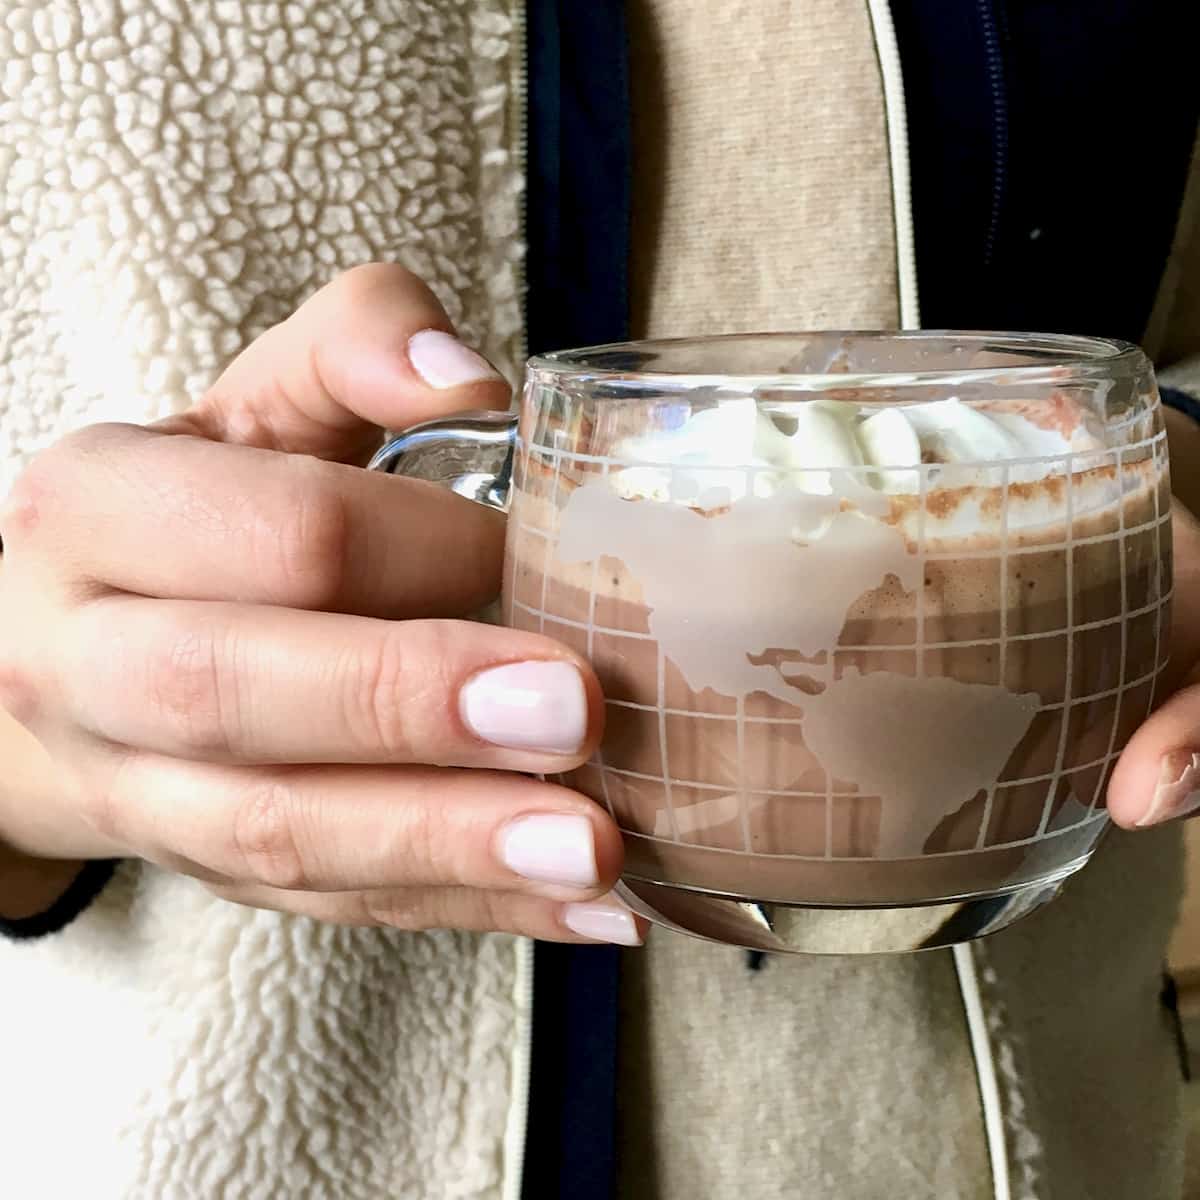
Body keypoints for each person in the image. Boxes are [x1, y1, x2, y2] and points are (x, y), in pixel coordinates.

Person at [1, 2, 1198, 1197]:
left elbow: (1172, 346)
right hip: (203, 1135)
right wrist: (43, 739)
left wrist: (1169, 477)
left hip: (1028, 1117)